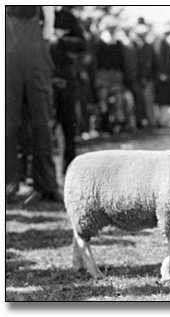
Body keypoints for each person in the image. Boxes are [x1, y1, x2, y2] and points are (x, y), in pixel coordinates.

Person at [5, 6, 63, 204]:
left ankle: (46, 185)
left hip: (36, 58)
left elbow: (48, 28)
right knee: (7, 125)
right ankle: (8, 185)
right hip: (8, 56)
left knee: (42, 124)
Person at [50, 6, 86, 175]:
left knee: (68, 124)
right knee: (44, 126)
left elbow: (81, 43)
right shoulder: (37, 13)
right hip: (42, 74)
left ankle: (69, 167)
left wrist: (60, 40)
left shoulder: (67, 17)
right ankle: (40, 172)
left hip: (66, 75)